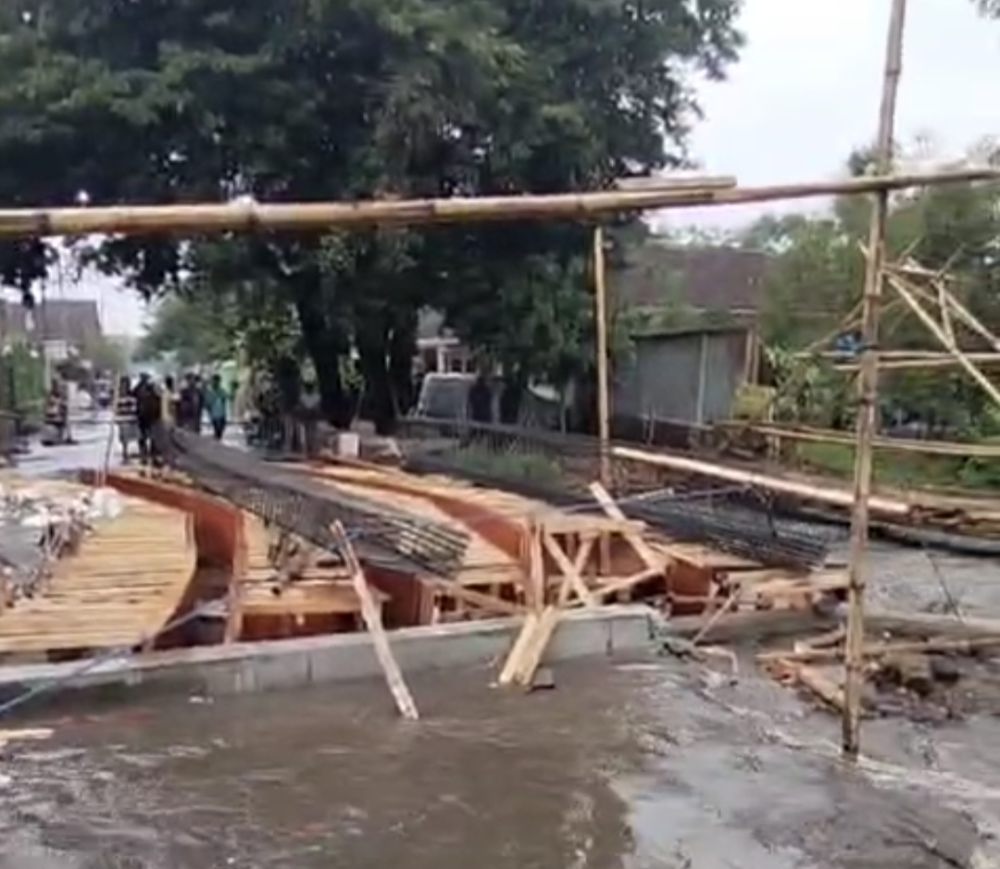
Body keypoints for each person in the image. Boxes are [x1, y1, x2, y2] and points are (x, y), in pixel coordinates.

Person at [133, 373, 162, 466]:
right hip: (146, 417)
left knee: (146, 437)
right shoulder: (142, 389)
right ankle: (148, 454)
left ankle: (147, 454)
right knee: (147, 437)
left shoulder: (143, 389)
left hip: (147, 417)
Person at [114, 376, 138, 462]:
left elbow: (134, 406)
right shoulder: (118, 395)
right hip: (122, 419)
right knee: (123, 438)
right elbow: (116, 408)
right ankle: (125, 452)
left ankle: (127, 452)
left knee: (129, 436)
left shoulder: (130, 395)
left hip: (129, 419)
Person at [297, 377, 322, 456]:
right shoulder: (317, 396)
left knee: (307, 433)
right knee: (312, 433)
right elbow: (318, 407)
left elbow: (301, 406)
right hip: (312, 416)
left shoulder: (303, 396)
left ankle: (307, 449)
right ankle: (312, 449)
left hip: (306, 417)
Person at [204, 373, 229, 441]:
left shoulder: (222, 391)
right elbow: (207, 405)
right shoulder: (209, 392)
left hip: (221, 415)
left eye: (217, 381)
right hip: (214, 415)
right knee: (217, 431)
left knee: (220, 432)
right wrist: (209, 413)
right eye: (214, 381)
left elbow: (225, 401)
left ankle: (218, 443)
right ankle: (217, 444)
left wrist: (224, 413)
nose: (215, 383)